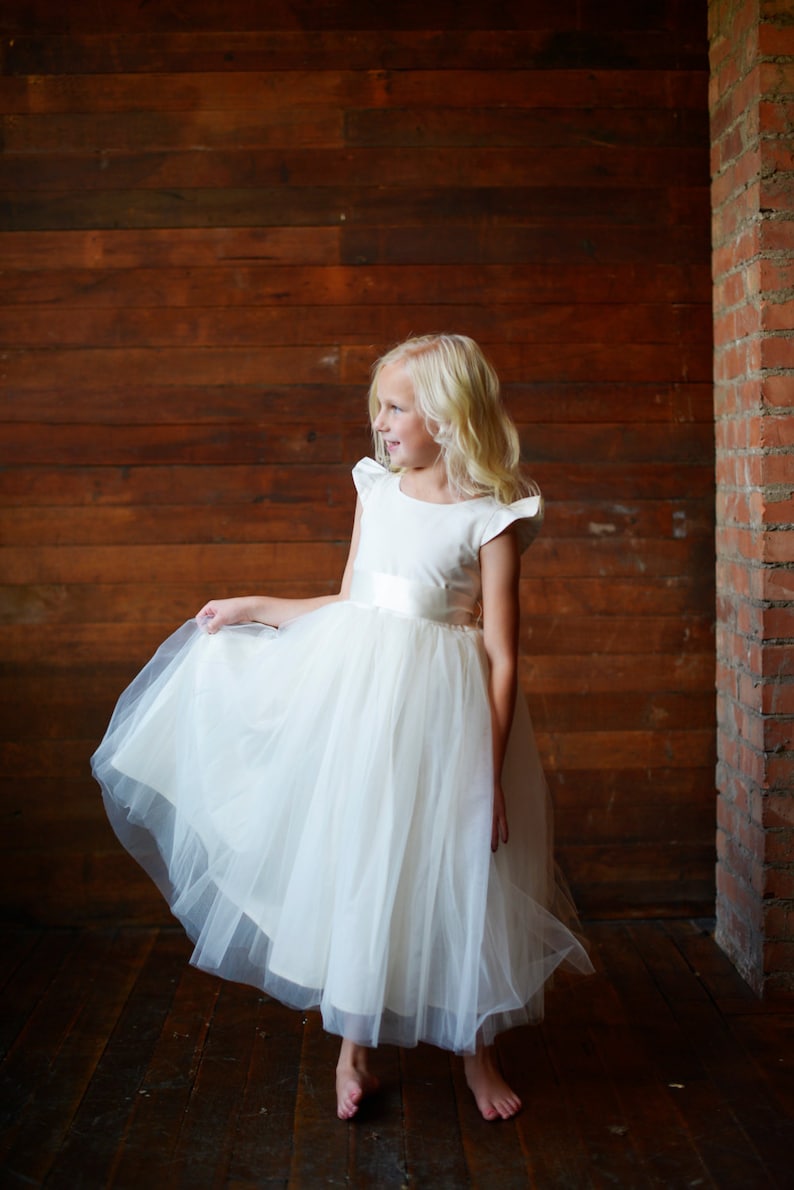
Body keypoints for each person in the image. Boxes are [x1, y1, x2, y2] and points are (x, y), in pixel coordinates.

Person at [92, 333, 592, 1123]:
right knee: (362, 862)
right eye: (380, 408)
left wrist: (488, 773)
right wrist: (254, 606)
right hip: (360, 713)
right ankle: (350, 1050)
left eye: (396, 408)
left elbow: (501, 657)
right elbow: (353, 604)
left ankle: (476, 1052)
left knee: (456, 874)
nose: (382, 424)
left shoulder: (490, 519)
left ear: (448, 416)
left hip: (445, 726)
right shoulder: (377, 489)